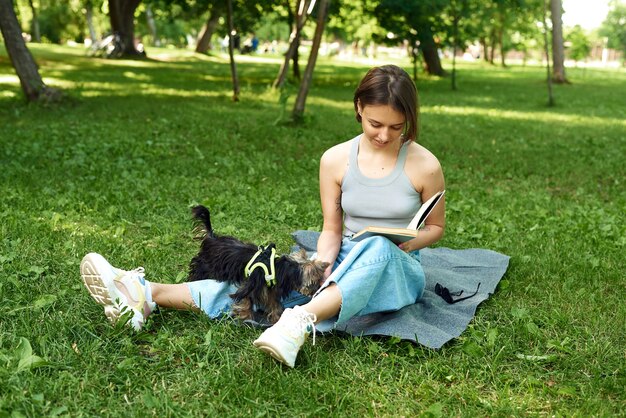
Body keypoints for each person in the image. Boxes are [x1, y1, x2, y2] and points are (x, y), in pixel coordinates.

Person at [80, 64, 445, 368]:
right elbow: (332, 230)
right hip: (348, 256)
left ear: (409, 120)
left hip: (398, 265)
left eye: (396, 127)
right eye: (375, 124)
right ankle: (144, 294)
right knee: (259, 288)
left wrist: (407, 242)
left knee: (379, 246)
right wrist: (320, 266)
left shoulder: (425, 165)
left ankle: (298, 321)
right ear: (359, 109)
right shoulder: (335, 159)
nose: (384, 135)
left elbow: (436, 228)